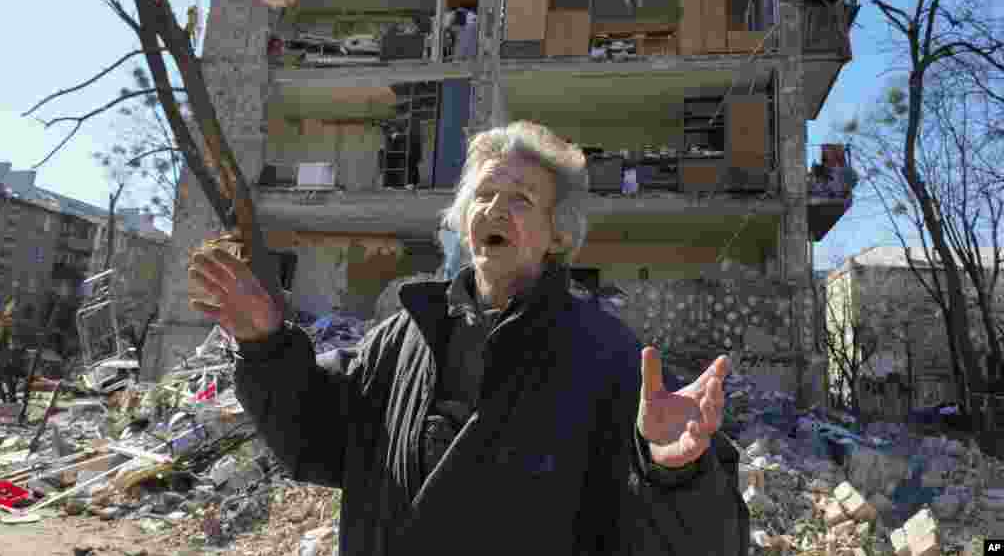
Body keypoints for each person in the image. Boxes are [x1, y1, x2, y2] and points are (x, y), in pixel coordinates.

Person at [189, 121, 748, 556]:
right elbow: (314, 442)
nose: (495, 208)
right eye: (483, 194)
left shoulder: (611, 358)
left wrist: (677, 471)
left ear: (558, 235)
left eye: (521, 199)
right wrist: (265, 346)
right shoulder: (402, 339)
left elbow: (701, 542)